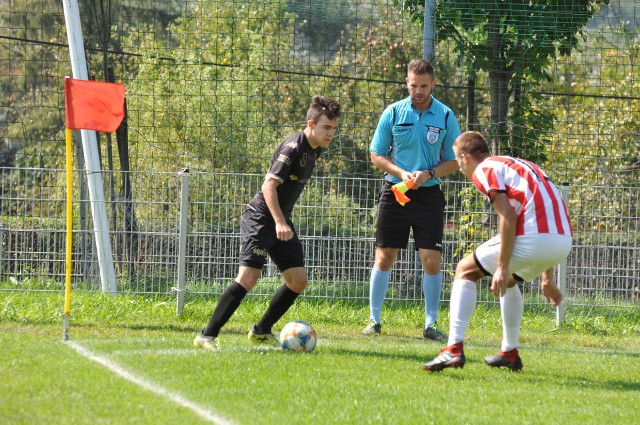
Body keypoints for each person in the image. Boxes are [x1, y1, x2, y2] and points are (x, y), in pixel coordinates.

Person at [194, 95, 341, 350]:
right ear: (311, 124)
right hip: (262, 218)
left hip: (280, 220)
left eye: (334, 128)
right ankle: (206, 335)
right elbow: (268, 186)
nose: (330, 133)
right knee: (248, 277)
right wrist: (279, 222)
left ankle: (261, 331)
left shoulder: (314, 151)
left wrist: (282, 222)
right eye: (326, 127)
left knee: (298, 281)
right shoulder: (293, 148)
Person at [422, 131, 573, 372]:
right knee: (510, 283)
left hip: (535, 238)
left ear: (464, 157)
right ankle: (509, 352)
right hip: (563, 242)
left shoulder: (485, 168)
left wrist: (501, 268)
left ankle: (452, 349)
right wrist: (547, 278)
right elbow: (541, 213)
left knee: (465, 270)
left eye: (458, 162)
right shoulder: (521, 165)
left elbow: (509, 216)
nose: (461, 169)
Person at [362, 59, 462, 340]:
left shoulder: (445, 116)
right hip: (395, 193)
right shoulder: (392, 113)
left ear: (433, 85)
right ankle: (374, 320)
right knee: (385, 255)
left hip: (429, 195)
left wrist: (429, 172)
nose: (418, 91)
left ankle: (431, 324)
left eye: (424, 86)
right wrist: (401, 173)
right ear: (406, 82)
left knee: (431, 259)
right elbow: (377, 154)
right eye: (413, 85)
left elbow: (454, 160)